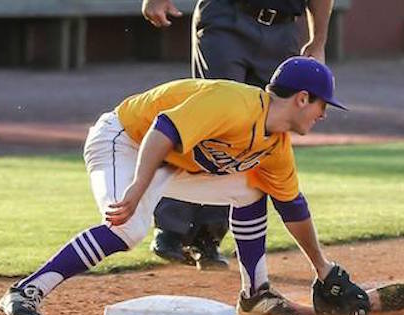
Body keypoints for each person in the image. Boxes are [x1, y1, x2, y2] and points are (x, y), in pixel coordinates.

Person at [0, 57, 370, 315]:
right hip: (125, 140)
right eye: (323, 105)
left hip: (172, 162)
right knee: (128, 229)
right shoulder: (233, 103)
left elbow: (293, 209)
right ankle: (26, 290)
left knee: (252, 190)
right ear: (302, 98)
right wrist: (137, 188)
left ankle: (256, 295)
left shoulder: (276, 146)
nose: (323, 115)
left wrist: (323, 268)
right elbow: (163, 130)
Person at [141, 0, 334, 269]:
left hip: (283, 30)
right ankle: (171, 226)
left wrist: (319, 39)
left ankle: (208, 237)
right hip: (227, 18)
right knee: (214, 121)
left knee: (261, 136)